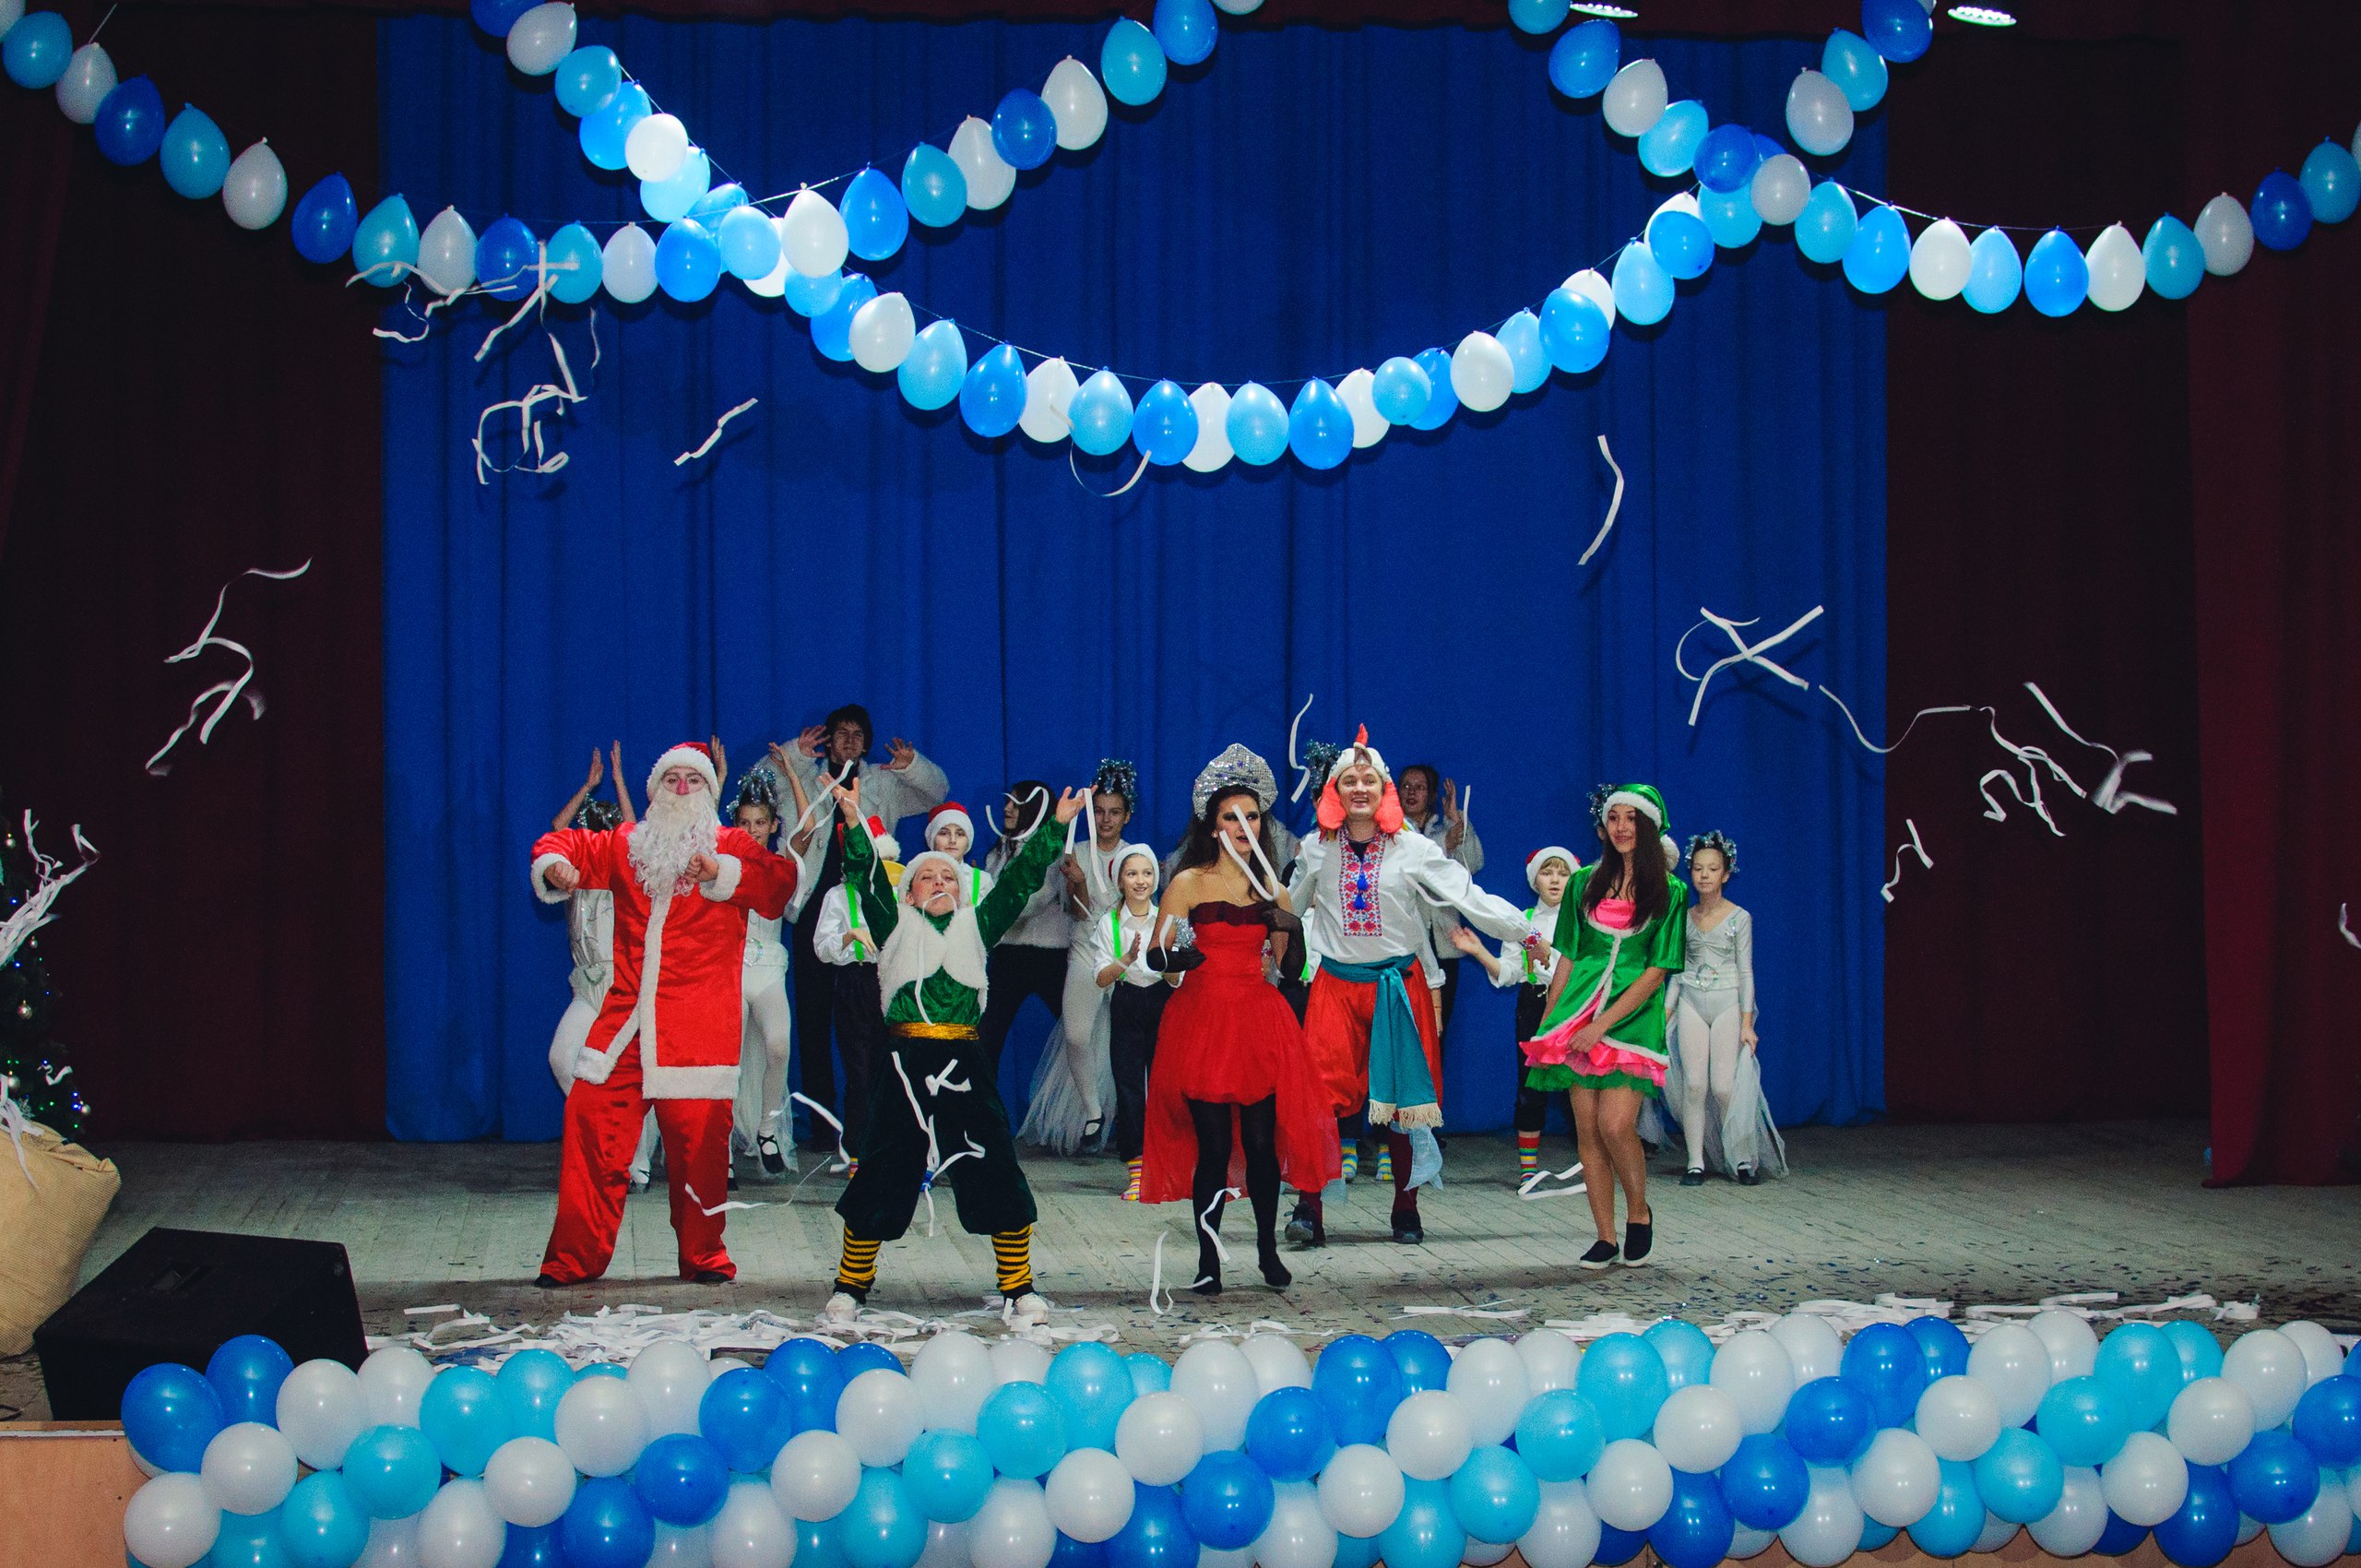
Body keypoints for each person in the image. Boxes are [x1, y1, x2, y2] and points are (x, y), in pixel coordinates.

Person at [819, 778, 1086, 1327]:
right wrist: (852, 819)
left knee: (995, 1169)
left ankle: (1019, 1287)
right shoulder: (893, 925)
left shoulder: (977, 926)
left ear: (963, 892)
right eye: (927, 877)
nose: (939, 882)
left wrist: (1056, 826)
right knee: (880, 1172)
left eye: (948, 877)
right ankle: (851, 1285)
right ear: (909, 893)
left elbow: (1019, 881)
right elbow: (865, 876)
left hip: (964, 1066)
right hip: (903, 1067)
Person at [529, 742, 797, 1285]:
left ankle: (703, 1256)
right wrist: (555, 866)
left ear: (708, 792)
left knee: (701, 1154)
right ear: (653, 792)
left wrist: (720, 872)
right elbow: (561, 841)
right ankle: (573, 1259)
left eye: (692, 780)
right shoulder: (629, 845)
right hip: (625, 1025)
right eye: (670, 779)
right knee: (588, 1122)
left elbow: (779, 884)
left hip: (698, 1030)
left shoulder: (731, 844)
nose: (680, 788)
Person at [1286, 729, 1535, 1247]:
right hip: (1335, 988)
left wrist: (1526, 933)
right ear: (1334, 791)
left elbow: (1468, 897)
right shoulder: (1315, 848)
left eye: (1369, 780)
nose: (1359, 788)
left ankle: (1405, 1207)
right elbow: (1290, 907)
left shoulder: (1412, 848)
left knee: (1404, 1105)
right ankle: (1309, 1208)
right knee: (1319, 1100)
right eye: (1349, 780)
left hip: (1396, 987)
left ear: (1384, 791)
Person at [1139, 746, 1339, 1294]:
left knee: (1260, 1144)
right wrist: (1175, 957)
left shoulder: (1273, 886)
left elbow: (1291, 972)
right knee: (1212, 1147)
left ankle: (1267, 1251)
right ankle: (1209, 1259)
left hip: (1257, 1021)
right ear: (1213, 824)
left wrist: (1291, 927)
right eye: (1232, 816)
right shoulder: (1188, 882)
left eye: (1252, 816)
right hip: (1203, 1020)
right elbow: (1159, 958)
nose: (1244, 826)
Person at [1524, 784, 1686, 1270]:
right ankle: (1605, 1236)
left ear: (1649, 826)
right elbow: (1569, 957)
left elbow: (1657, 970)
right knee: (1588, 1130)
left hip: (1631, 1018)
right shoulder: (1584, 882)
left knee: (1616, 1125)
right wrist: (1551, 1021)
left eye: (1631, 818)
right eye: (1614, 817)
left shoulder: (1671, 892)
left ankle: (1639, 1212)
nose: (1621, 827)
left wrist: (1603, 1025)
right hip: (1578, 1012)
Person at [786, 707, 949, 1152]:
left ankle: (871, 1121)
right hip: (816, 906)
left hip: (870, 908)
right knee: (814, 1021)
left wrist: (911, 766)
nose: (850, 740)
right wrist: (795, 755)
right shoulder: (808, 775)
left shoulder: (882, 782)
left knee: (873, 1025)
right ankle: (822, 1124)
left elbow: (937, 791)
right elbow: (761, 784)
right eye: (842, 733)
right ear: (829, 739)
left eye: (858, 734)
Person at [1022, 760, 1146, 1153]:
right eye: (1099, 811)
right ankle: (1093, 1112)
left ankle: (1133, 1125)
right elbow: (1080, 913)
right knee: (1076, 1035)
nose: (1106, 820)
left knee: (1128, 1045)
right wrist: (1076, 883)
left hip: (1127, 956)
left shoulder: (1135, 857)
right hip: (1085, 952)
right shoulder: (1073, 852)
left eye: (1114, 812)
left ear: (1127, 816)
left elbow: (1137, 910)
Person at [1662, 832, 1786, 1186]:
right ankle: (1695, 1162)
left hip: (1727, 1002)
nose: (1704, 875)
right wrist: (1665, 1014)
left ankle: (1741, 1157)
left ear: (1726, 874)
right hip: (1691, 1001)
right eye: (1698, 868)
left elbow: (1745, 971)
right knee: (1694, 1084)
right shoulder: (1683, 918)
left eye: (1713, 869)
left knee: (1723, 1086)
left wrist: (1747, 1023)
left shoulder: (1739, 918)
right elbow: (1676, 971)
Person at [1451, 844, 1579, 1182]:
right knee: (1530, 1085)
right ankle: (1528, 1170)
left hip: (1573, 1007)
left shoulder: (1582, 921)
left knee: (1579, 1084)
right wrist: (1480, 951)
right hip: (1533, 1005)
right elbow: (1508, 972)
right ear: (1534, 880)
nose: (1555, 880)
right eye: (1547, 872)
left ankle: (1592, 1163)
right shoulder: (1522, 923)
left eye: (1563, 873)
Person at [810, 813, 902, 1165]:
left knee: (893, 1070)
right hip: (856, 984)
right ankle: (856, 1151)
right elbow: (821, 948)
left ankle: (892, 1150)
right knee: (859, 1072)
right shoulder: (838, 896)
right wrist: (848, 936)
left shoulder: (900, 892)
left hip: (894, 983)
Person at [546, 743, 634, 1100]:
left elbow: (632, 830)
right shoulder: (571, 877)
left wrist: (619, 780)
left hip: (620, 983)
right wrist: (587, 786)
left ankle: (633, 1139)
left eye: (606, 837)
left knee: (625, 1071)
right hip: (587, 984)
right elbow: (557, 828)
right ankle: (594, 1121)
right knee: (562, 1059)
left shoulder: (623, 876)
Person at [1089, 845, 1174, 1202]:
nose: (1140, 881)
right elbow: (1100, 978)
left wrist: (1171, 964)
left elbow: (1178, 976)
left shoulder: (1167, 919)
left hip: (1162, 1002)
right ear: (1120, 881)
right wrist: (1126, 958)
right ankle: (1137, 1168)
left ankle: (1168, 1167)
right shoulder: (1108, 923)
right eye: (1132, 874)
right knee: (1129, 1087)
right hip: (1126, 1003)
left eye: (1147, 873)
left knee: (1166, 1087)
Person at [728, 766, 801, 1179]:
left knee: (778, 1046)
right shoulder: (722, 865)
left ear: (773, 825)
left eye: (760, 822)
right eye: (744, 823)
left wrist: (790, 771)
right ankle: (721, 1147)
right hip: (731, 970)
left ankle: (767, 1130)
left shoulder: (781, 864)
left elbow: (806, 828)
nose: (752, 830)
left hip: (769, 969)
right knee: (728, 1061)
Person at [976, 781, 1069, 1079]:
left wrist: (989, 908)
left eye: (1016, 804)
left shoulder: (1052, 852)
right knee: (986, 1037)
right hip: (1007, 956)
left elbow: (1031, 901)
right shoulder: (999, 852)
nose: (1007, 809)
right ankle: (981, 1105)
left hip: (1049, 958)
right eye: (1008, 802)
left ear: (1033, 809)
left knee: (1076, 1033)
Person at [1396, 764, 1484, 1045]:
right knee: (1404, 1028)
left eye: (1419, 787)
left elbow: (1474, 862)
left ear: (1432, 794)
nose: (1411, 792)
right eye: (1405, 786)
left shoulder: (1447, 827)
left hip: (1445, 942)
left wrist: (1456, 820)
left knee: (1437, 1030)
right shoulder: (1391, 830)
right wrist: (1442, 843)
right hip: (1405, 942)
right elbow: (1412, 864)